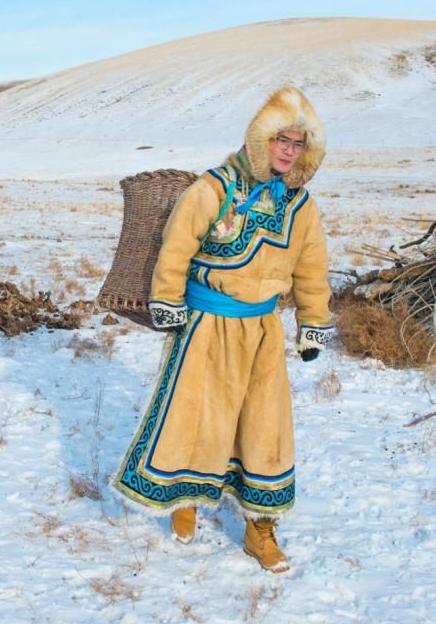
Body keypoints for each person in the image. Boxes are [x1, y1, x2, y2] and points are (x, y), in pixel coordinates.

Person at [111, 85, 333, 573]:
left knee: (264, 425)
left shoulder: (301, 207)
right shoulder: (213, 188)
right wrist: (167, 298)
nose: (288, 152)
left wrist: (313, 323)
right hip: (206, 324)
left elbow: (312, 268)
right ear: (261, 140)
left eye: (297, 144)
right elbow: (176, 246)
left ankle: (261, 528)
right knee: (198, 415)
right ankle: (185, 498)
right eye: (281, 141)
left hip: (263, 330)